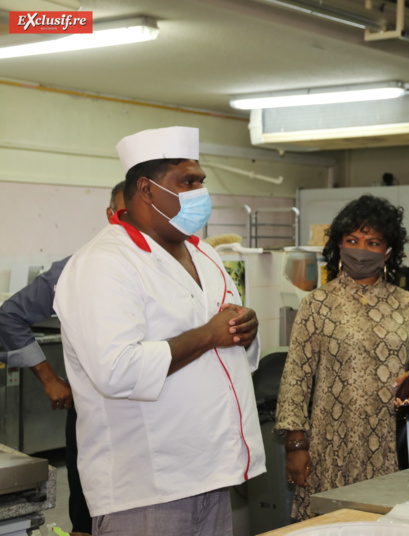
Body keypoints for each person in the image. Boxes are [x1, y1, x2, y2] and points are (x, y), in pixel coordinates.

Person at [53, 126, 265, 536]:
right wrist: (209, 334)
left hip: (213, 472)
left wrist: (245, 331)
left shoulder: (205, 255)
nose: (200, 191)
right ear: (147, 190)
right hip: (148, 486)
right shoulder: (105, 262)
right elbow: (116, 369)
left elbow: (228, 339)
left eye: (201, 181)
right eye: (187, 182)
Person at [275, 194, 409, 520]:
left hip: (391, 448)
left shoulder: (407, 304)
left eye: (373, 241)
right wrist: (296, 446)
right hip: (329, 448)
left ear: (388, 252)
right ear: (338, 245)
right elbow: (296, 377)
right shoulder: (317, 304)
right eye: (352, 239)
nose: (361, 248)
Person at [0, 180, 125, 535]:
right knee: (87, 515)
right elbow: (10, 315)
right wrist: (50, 379)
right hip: (92, 419)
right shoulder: (76, 268)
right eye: (124, 213)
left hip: (153, 422)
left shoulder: (171, 270)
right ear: (111, 215)